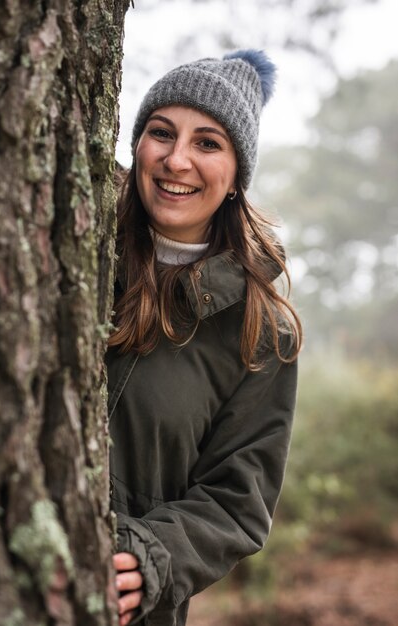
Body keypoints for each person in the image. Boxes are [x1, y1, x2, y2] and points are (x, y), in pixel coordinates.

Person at [106, 49, 302, 626]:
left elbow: (238, 500)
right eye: (161, 132)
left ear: (238, 174)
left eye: (208, 143)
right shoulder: (77, 242)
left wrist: (146, 558)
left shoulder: (263, 331)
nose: (177, 159)